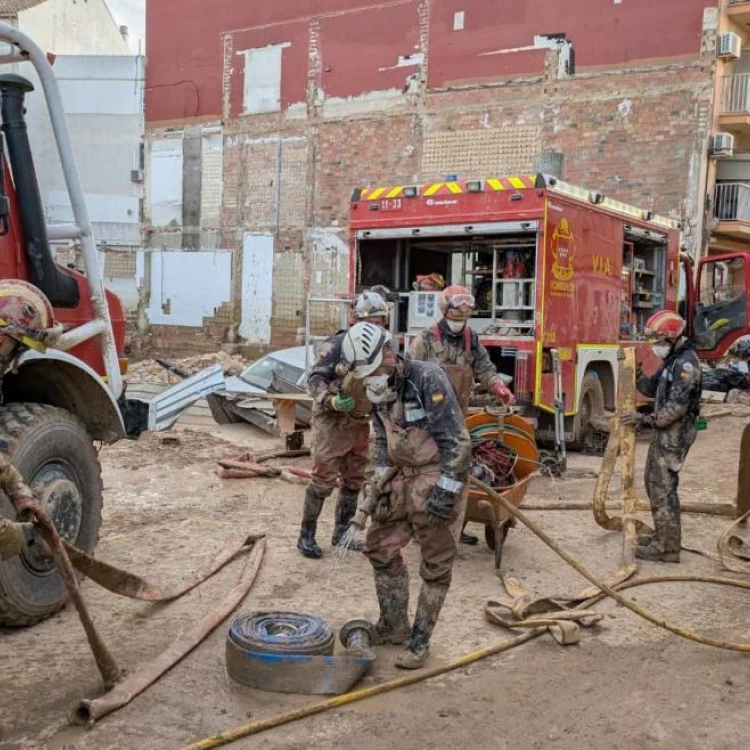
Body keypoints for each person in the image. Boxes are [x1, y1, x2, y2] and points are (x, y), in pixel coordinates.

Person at [342, 321, 471, 669]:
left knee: (435, 563)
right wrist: (380, 480)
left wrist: (447, 492)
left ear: (389, 352)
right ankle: (394, 624)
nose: (371, 379)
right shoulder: (375, 389)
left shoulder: (427, 379)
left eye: (374, 370)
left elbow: (457, 442)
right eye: (365, 375)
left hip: (436, 474)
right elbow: (382, 440)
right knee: (379, 546)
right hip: (401, 477)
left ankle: (419, 641)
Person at [408, 284, 514, 544]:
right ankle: (425, 528)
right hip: (428, 423)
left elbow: (485, 369)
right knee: (428, 475)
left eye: (464, 317)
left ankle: (455, 525)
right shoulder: (425, 340)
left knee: (458, 474)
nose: (459, 321)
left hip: (457, 421)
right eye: (456, 315)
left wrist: (498, 386)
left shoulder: (471, 339)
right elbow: (408, 380)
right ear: (445, 312)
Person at [297, 291, 390, 559]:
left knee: (354, 478)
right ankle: (307, 536)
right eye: (372, 320)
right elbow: (314, 378)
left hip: (360, 420)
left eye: (380, 321)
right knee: (323, 478)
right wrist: (330, 400)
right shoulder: (338, 344)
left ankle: (342, 535)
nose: (377, 326)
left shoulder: (382, 348)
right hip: (332, 421)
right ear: (357, 319)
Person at [621, 310, 702, 563]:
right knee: (654, 483)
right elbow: (649, 388)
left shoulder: (686, 365)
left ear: (672, 338)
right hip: (664, 434)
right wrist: (632, 371)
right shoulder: (672, 361)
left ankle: (666, 549)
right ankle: (663, 538)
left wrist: (644, 420)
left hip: (675, 436)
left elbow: (676, 409)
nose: (655, 346)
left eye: (658, 341)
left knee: (664, 488)